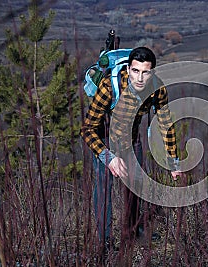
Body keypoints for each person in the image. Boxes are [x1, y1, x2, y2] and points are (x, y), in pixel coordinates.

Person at [80, 47, 182, 249]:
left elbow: (166, 124)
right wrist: (108, 158)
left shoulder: (157, 89)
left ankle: (134, 231)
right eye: (135, 71)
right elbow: (87, 128)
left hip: (131, 139)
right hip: (104, 139)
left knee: (136, 184)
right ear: (128, 68)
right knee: (104, 188)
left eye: (145, 72)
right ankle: (104, 241)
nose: (140, 78)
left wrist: (173, 161)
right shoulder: (110, 86)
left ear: (152, 72)